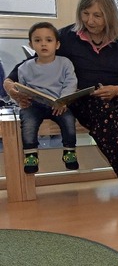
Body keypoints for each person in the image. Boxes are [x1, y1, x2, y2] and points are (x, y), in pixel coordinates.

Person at [3, 0, 118, 201]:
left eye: (97, 15)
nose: (90, 21)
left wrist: (117, 89)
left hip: (117, 95)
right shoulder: (67, 37)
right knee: (104, 120)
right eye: (85, 14)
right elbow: (32, 62)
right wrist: (9, 85)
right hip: (84, 99)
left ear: (110, 16)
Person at [16, 22, 79, 174]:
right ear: (31, 44)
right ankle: (31, 155)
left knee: (69, 119)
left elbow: (71, 83)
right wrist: (21, 98)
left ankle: (69, 152)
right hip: (34, 105)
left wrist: (63, 101)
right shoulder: (24, 67)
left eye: (48, 40)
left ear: (57, 45)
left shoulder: (65, 63)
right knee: (28, 122)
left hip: (58, 104)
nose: (43, 44)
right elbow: (21, 89)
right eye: (38, 40)